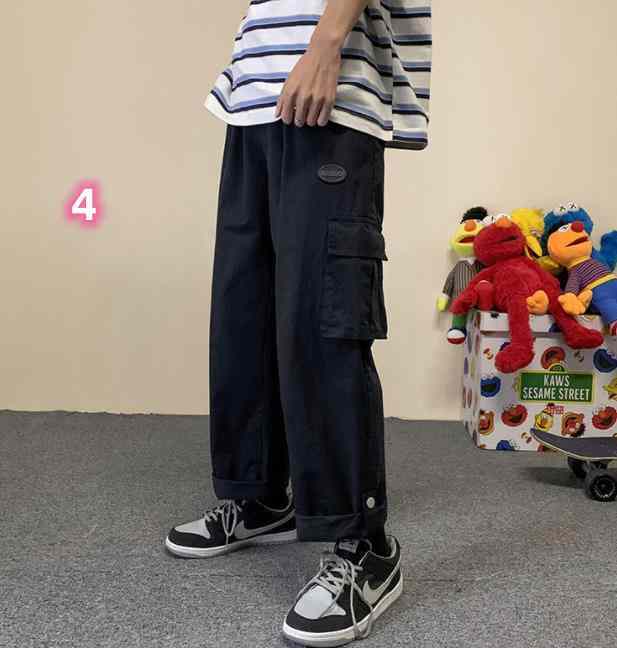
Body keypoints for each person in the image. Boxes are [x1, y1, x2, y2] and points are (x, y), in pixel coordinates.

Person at [165, 1, 431, 644]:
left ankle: (365, 546)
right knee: (245, 317)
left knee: (323, 323)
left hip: (326, 93)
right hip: (252, 102)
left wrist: (325, 43)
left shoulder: (326, 54)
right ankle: (259, 496)